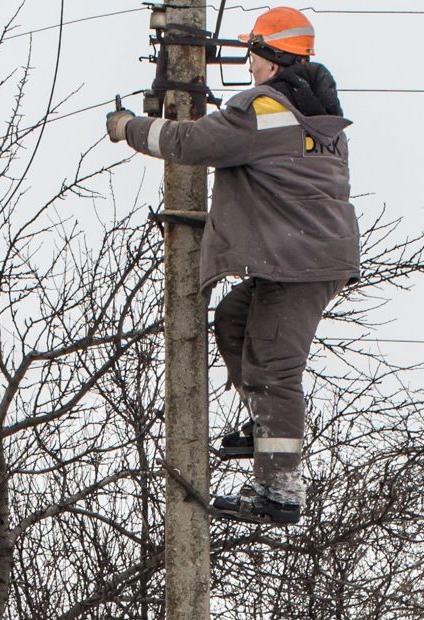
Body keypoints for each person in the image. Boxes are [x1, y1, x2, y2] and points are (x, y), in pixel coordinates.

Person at [108, 6, 360, 527]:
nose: (248, 63)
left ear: (268, 58)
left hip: (300, 263)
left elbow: (190, 144)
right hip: (306, 255)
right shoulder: (321, 117)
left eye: (252, 53)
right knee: (235, 319)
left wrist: (129, 128)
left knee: (274, 365)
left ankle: (280, 490)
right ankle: (263, 426)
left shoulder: (264, 110)